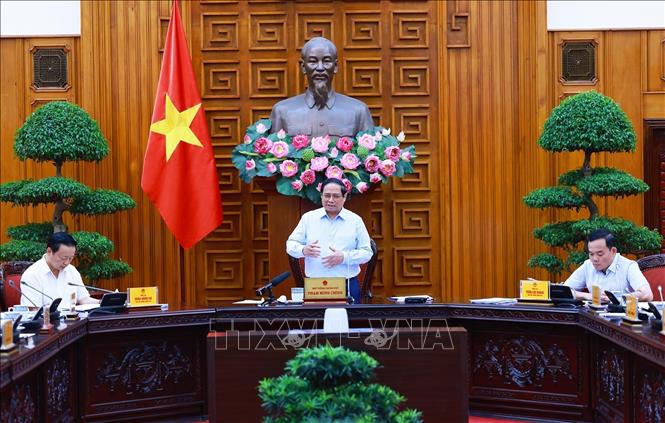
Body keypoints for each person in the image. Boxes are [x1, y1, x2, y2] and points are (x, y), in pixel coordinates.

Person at [286, 178, 373, 303]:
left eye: (336, 196)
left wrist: (344, 257)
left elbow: (367, 253)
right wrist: (303, 250)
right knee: (316, 317)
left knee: (350, 316)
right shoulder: (308, 218)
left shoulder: (355, 221)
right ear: (321, 196)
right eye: (327, 195)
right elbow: (290, 245)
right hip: (316, 286)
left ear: (344, 197)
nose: (330, 200)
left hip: (347, 285)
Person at [269, 37, 374, 138]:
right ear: (303, 67)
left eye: (326, 61)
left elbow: (371, 149)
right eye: (313, 61)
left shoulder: (358, 111)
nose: (320, 68)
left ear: (335, 66)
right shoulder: (282, 111)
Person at [564, 229, 653, 302]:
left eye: (600, 254)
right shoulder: (588, 265)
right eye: (591, 254)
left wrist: (616, 298)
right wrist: (588, 296)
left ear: (613, 251)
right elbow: (564, 291)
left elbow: (647, 294)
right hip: (594, 315)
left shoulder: (629, 266)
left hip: (622, 316)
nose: (595, 259)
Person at [20, 232, 100, 308]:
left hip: (72, 317)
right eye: (63, 258)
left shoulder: (72, 271)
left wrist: (102, 302)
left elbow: (84, 299)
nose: (67, 263)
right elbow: (33, 310)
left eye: (70, 258)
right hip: (48, 318)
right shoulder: (32, 275)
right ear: (49, 251)